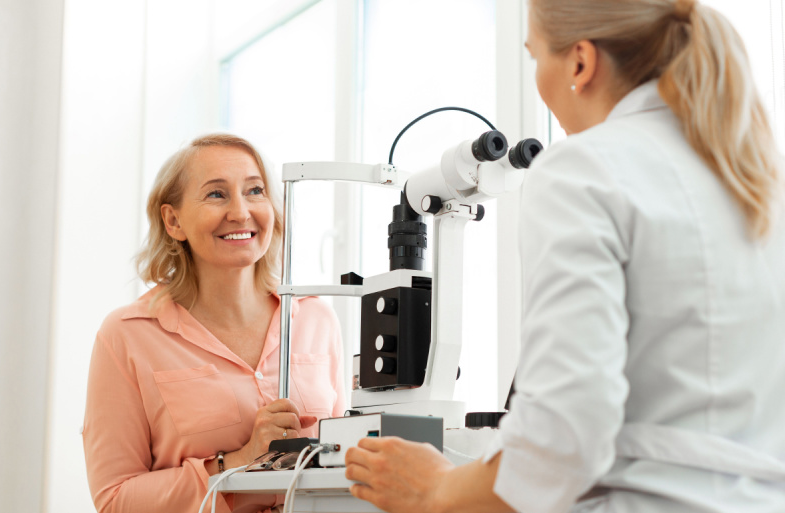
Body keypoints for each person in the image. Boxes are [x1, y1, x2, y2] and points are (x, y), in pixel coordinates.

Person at [344, 0, 785, 512]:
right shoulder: (758, 181)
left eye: (535, 58)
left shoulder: (582, 168)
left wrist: (434, 489)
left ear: (580, 62)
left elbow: (564, 439)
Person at [83, 133, 347, 513]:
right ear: (173, 221)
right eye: (216, 194)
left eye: (255, 191)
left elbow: (343, 466)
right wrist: (239, 461)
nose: (241, 212)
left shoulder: (315, 318)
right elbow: (115, 499)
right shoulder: (127, 335)